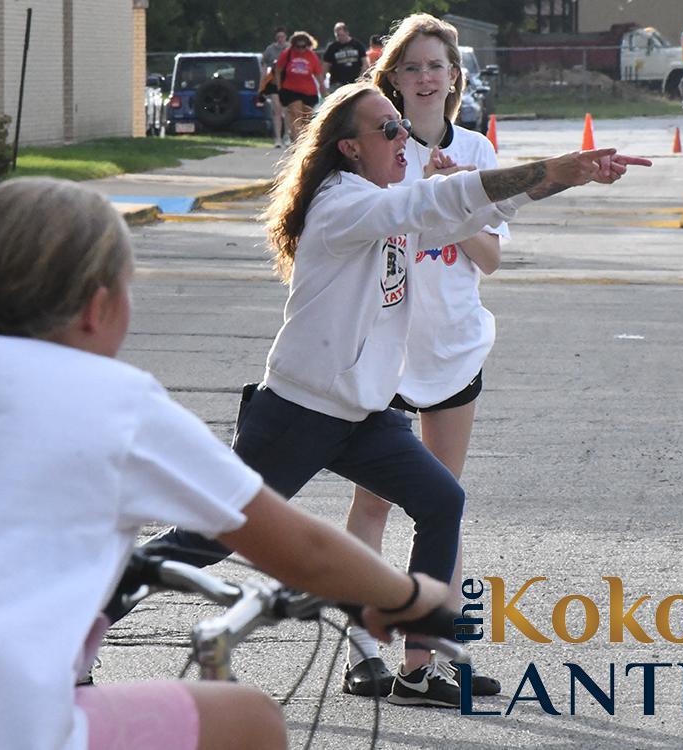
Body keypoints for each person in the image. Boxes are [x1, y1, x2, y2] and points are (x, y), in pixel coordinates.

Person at [0, 177, 456, 750]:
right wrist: (406, 598)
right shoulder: (112, 402)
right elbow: (299, 546)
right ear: (97, 306)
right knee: (251, 720)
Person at [139, 82, 650, 708]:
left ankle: (418, 668)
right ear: (350, 148)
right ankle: (97, 601)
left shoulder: (387, 195)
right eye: (388, 130)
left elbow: (471, 214)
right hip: (299, 412)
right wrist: (548, 167)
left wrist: (568, 177)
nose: (403, 137)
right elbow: (438, 202)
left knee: (441, 500)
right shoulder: (343, 202)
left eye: (403, 126)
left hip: (365, 412)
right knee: (209, 540)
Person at [342, 12, 507, 701]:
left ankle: (426, 659)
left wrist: (454, 198)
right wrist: (418, 190)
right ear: (392, 79)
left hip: (451, 348)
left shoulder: (477, 150)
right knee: (372, 503)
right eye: (411, 66)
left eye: (436, 65)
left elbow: (491, 257)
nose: (424, 77)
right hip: (383, 353)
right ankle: (361, 652)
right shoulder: (378, 151)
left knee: (443, 504)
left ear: (453, 77)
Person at [275, 31, 327, 143]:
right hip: (291, 89)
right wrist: (279, 88)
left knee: (307, 119)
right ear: (293, 45)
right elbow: (278, 70)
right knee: (296, 114)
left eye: (303, 46)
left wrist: (323, 91)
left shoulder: (311, 56)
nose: (300, 49)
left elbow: (318, 75)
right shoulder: (287, 53)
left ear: (308, 45)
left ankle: (303, 140)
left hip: (309, 91)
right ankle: (297, 143)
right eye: (297, 46)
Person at [262, 27, 289, 148]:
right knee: (276, 110)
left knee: (287, 110)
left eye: (282, 37)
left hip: (288, 83)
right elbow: (264, 64)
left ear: (286, 37)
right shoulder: (270, 49)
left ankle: (287, 136)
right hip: (274, 83)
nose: (280, 39)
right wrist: (263, 81)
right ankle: (277, 138)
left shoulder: (290, 49)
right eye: (278, 37)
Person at [322, 21, 369, 91]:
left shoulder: (357, 45)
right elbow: (326, 66)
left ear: (347, 33)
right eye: (338, 35)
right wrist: (322, 83)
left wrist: (360, 79)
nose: (340, 37)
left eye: (342, 35)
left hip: (354, 82)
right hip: (337, 83)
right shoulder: (332, 48)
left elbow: (365, 63)